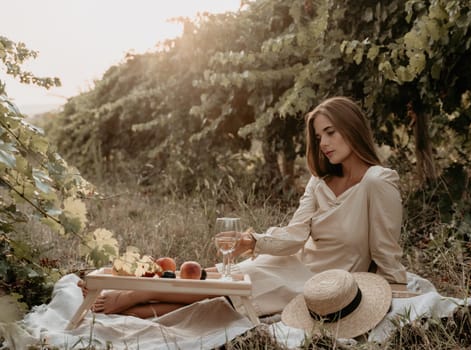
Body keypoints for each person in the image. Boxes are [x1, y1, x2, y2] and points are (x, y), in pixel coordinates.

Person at [78, 96, 407, 319]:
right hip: (291, 263)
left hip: (324, 284)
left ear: (351, 128)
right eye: (319, 136)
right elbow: (294, 235)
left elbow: (386, 251)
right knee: (226, 279)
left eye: (330, 133)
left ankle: (135, 298)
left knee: (223, 298)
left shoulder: (377, 182)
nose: (323, 143)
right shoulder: (319, 182)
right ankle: (136, 291)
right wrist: (254, 241)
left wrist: (394, 293)